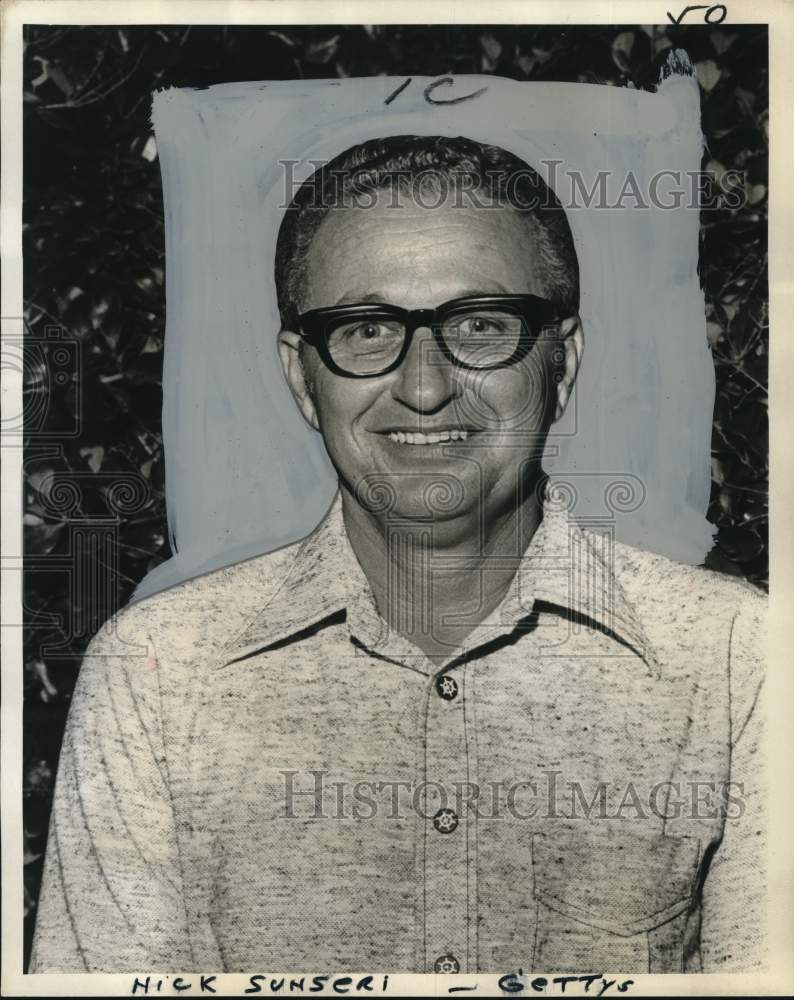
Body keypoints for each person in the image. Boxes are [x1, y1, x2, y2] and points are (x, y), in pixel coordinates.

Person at [30, 135, 766, 975]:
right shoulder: (152, 675)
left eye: (482, 325)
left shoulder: (742, 661)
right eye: (367, 328)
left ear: (561, 365)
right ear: (305, 379)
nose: (423, 388)